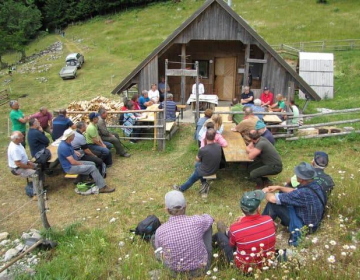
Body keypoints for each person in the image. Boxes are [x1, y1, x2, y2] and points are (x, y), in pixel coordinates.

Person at [262, 162, 326, 246]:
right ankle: (265, 224)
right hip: (313, 223)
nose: (295, 175)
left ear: (301, 179)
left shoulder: (302, 193)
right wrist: (279, 187)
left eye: (297, 174)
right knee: (282, 194)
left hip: (304, 227)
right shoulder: (316, 185)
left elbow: (272, 199)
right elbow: (295, 191)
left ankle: (260, 227)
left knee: (272, 204)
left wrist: (264, 192)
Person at [154, 190, 214, 277]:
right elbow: (210, 218)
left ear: (167, 210)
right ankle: (208, 253)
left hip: (175, 273)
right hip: (201, 269)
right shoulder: (197, 221)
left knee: (157, 246)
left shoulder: (160, 231)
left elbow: (160, 250)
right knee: (208, 225)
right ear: (185, 206)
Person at [213, 190, 276, 273]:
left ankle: (224, 233)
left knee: (220, 235)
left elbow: (232, 245)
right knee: (239, 235)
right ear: (258, 208)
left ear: (242, 209)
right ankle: (226, 231)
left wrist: (240, 224)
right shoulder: (268, 220)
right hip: (267, 263)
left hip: (245, 268)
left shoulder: (235, 227)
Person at [58, 129, 114, 193]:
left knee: (92, 163)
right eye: (73, 135)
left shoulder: (67, 142)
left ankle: (84, 179)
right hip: (70, 167)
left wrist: (75, 151)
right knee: (92, 168)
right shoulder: (64, 147)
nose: (74, 137)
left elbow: (70, 150)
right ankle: (102, 187)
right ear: (70, 137)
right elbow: (72, 162)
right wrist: (81, 163)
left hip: (74, 163)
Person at [175, 129, 222, 196]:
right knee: (197, 165)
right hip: (214, 169)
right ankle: (204, 184)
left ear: (206, 137)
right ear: (214, 137)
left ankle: (181, 189)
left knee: (192, 179)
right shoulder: (218, 146)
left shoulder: (203, 150)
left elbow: (197, 159)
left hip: (206, 171)